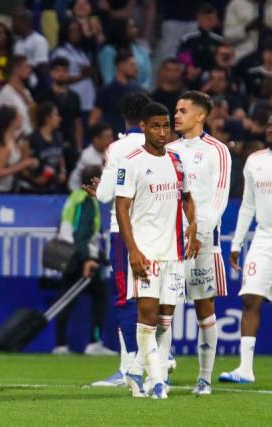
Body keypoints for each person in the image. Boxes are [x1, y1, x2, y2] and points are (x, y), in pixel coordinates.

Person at [115, 102, 199, 400]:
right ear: (143, 127)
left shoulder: (176, 161)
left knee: (165, 319)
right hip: (146, 252)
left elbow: (187, 197)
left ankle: (136, 370)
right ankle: (158, 380)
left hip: (174, 253)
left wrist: (193, 223)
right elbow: (121, 208)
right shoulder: (131, 161)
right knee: (147, 315)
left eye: (166, 125)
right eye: (156, 126)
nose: (163, 132)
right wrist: (133, 250)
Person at [220, 112, 272, 385]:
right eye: (269, 125)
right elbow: (248, 204)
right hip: (262, 239)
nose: (271, 130)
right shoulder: (254, 161)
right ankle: (245, 368)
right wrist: (237, 243)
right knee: (249, 299)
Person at [166, 91, 231, 394]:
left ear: (200, 116)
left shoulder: (218, 151)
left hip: (203, 240)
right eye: (175, 111)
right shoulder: (168, 149)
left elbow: (220, 196)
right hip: (169, 240)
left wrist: (200, 233)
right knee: (164, 306)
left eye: (182, 111)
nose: (175, 116)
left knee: (204, 307)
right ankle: (159, 373)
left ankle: (204, 377)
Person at [86, 92, 151, 388]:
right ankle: (158, 361)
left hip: (125, 232)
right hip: (157, 230)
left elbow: (106, 194)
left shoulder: (119, 147)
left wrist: (98, 188)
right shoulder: (162, 144)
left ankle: (128, 368)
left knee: (126, 299)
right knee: (157, 297)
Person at [54, 165, 110, 355]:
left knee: (66, 300)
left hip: (68, 254)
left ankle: (61, 345)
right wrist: (87, 259)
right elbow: (82, 233)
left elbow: (66, 226)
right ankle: (94, 343)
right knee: (100, 296)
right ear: (96, 181)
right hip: (79, 256)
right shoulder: (86, 199)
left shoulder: (73, 197)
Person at [0, 106, 37, 193]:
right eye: (19, 116)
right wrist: (23, 165)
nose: (22, 118)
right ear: (12, 122)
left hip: (6, 188)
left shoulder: (13, 139)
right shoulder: (4, 145)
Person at [89, 52, 142, 136]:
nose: (135, 69)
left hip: (134, 140)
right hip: (112, 141)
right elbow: (93, 119)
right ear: (121, 66)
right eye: (132, 65)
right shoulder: (106, 91)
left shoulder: (138, 90)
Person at [223, 0, 272, 65]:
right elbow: (227, 37)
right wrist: (246, 29)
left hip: (269, 63)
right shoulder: (235, 4)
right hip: (242, 59)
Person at [98, 17, 152, 91]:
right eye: (131, 27)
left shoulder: (142, 50)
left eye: (135, 26)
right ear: (121, 29)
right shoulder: (108, 51)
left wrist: (142, 91)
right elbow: (108, 77)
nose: (135, 29)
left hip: (139, 94)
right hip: (115, 93)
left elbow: (148, 77)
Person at [0, 55, 35, 139]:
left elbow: (34, 114)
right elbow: (5, 125)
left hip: (29, 139)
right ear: (16, 69)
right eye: (27, 66)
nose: (30, 70)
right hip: (15, 143)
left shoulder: (26, 91)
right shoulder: (5, 94)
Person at [68, 123, 112, 192]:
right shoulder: (87, 156)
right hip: (79, 191)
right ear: (96, 139)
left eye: (111, 136)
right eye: (107, 137)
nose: (111, 140)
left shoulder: (110, 151)